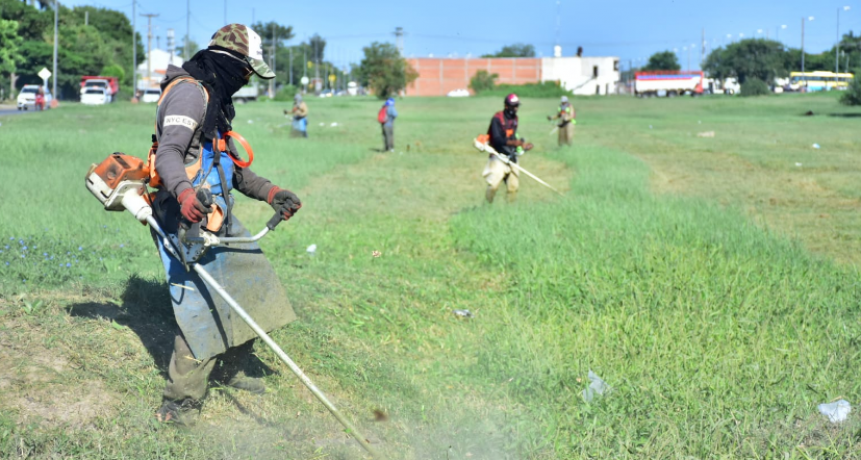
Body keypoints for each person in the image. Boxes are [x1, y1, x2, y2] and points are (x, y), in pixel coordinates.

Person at [148, 23, 302, 425]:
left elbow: (229, 168)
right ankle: (179, 404)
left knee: (248, 278)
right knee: (200, 301)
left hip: (215, 208)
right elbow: (168, 154)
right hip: (185, 213)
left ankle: (230, 368)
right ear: (233, 63)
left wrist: (271, 192)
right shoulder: (190, 92)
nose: (248, 79)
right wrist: (183, 195)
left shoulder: (216, 100)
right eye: (249, 71)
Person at [483, 93, 533, 203]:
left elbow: (513, 136)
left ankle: (510, 211)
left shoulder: (515, 119)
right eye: (513, 106)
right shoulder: (497, 119)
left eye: (517, 106)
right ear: (506, 106)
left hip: (511, 156)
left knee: (513, 187)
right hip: (498, 156)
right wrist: (515, 143)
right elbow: (497, 139)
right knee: (493, 185)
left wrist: (523, 146)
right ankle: (487, 206)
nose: (516, 109)